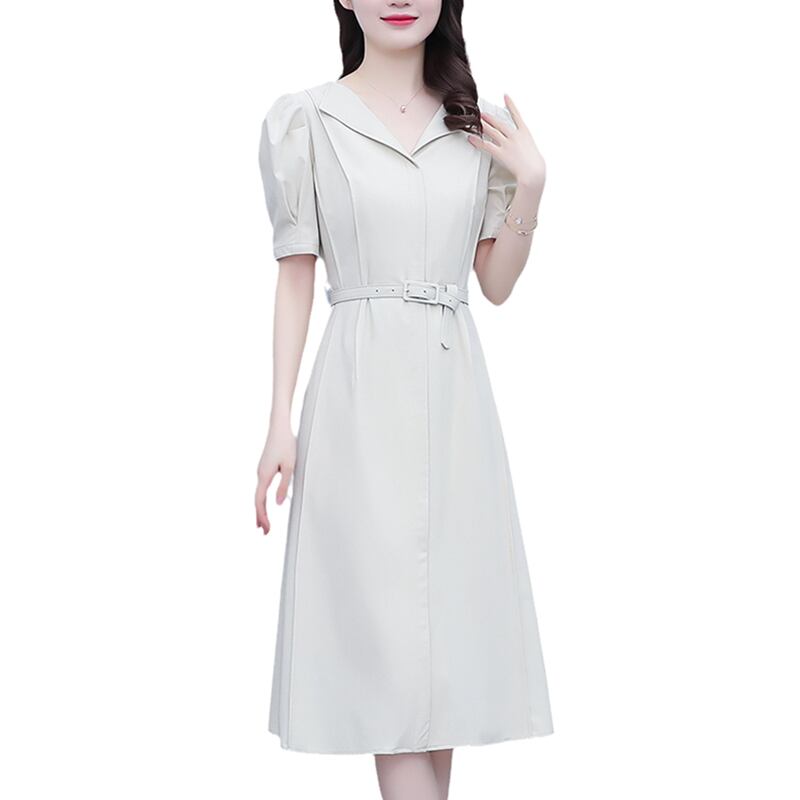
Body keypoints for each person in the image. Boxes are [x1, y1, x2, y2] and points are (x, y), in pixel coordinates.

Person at [254, 1, 554, 797]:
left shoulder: (472, 126)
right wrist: (279, 420)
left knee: (440, 662)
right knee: (388, 655)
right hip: (360, 392)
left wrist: (531, 186)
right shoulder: (306, 120)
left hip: (455, 401)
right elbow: (295, 273)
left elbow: (495, 283)